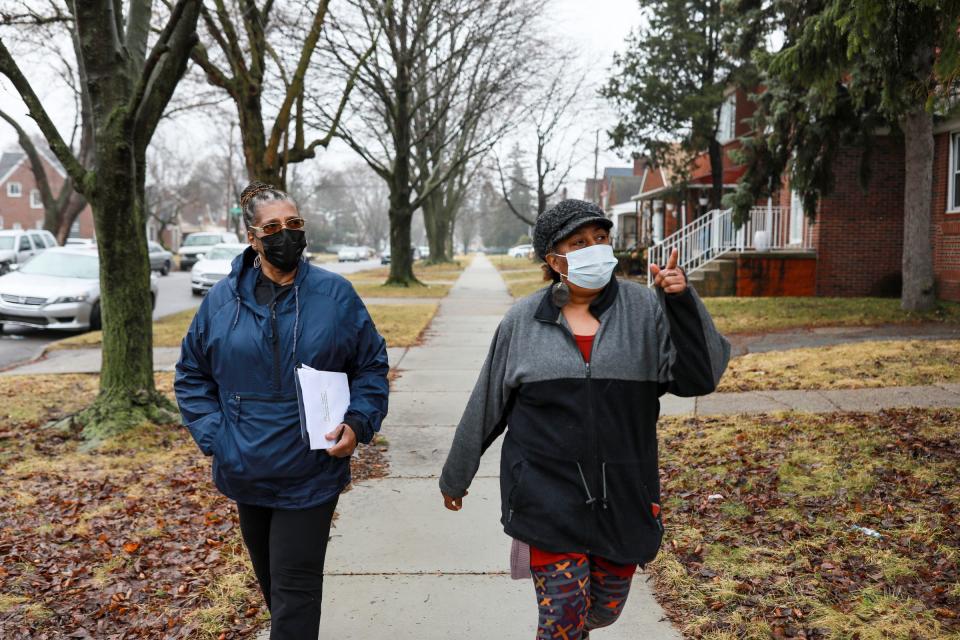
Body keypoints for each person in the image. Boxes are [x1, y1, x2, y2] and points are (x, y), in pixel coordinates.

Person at [439, 199, 729, 639]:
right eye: (579, 242)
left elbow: (700, 377)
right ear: (553, 260)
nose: (595, 248)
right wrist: (454, 477)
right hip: (545, 497)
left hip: (625, 495)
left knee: (603, 609)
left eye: (600, 238)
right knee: (563, 618)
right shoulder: (523, 320)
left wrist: (682, 303)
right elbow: (486, 403)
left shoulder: (644, 310)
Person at [174, 182, 389, 639]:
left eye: (294, 224)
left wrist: (358, 422)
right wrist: (217, 437)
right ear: (252, 237)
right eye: (272, 227)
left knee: (295, 588)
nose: (286, 234)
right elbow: (192, 373)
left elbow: (370, 365)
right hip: (246, 466)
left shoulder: (336, 296)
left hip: (311, 469)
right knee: (274, 585)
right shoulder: (221, 301)